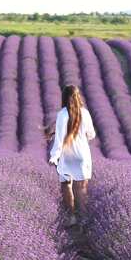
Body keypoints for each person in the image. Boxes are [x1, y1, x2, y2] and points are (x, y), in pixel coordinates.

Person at [45, 85, 96, 227]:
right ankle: (83, 219)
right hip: (82, 155)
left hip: (67, 156)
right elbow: (91, 134)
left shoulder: (62, 114)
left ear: (64, 97)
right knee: (81, 188)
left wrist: (53, 156)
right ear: (78, 97)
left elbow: (59, 139)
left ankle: (72, 216)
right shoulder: (85, 113)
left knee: (66, 185)